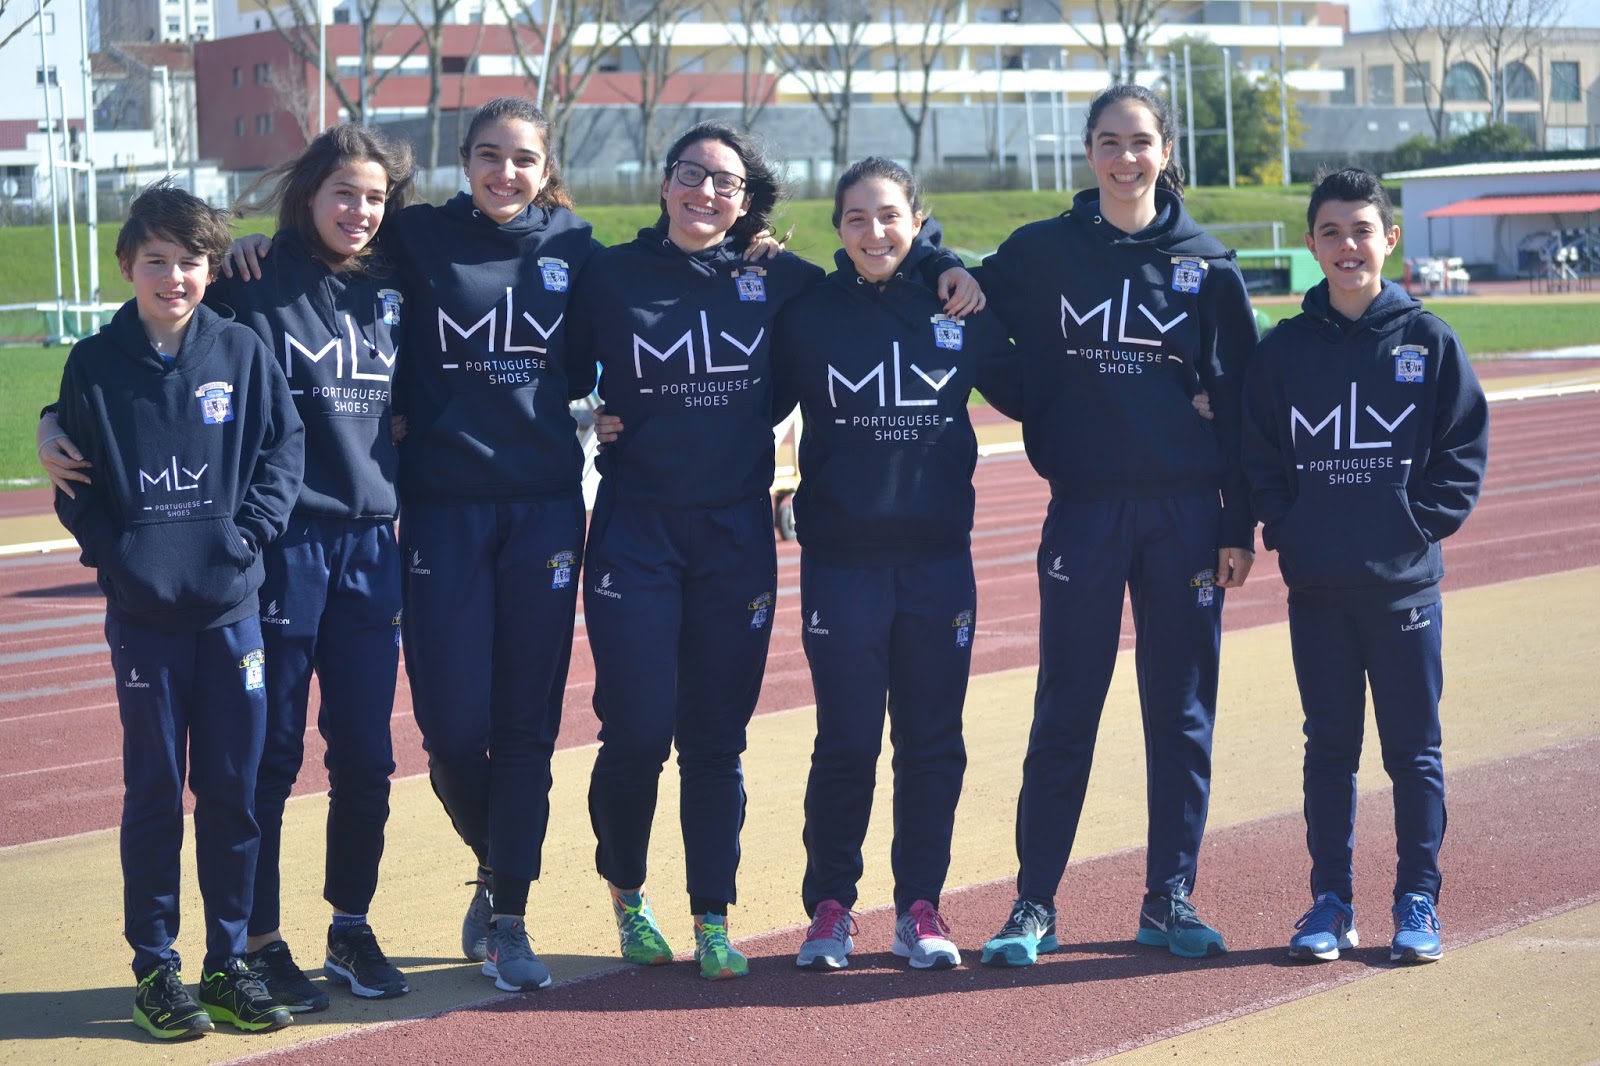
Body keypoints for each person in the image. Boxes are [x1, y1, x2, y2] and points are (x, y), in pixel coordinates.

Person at [570, 123, 982, 980]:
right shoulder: (608, 274)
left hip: (734, 535)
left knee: (716, 739)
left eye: (725, 183)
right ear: (666, 182)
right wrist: (590, 418)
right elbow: (556, 371)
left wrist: (942, 256)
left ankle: (712, 918)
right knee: (638, 733)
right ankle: (627, 891)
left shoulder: (780, 280)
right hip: (636, 530)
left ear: (746, 200)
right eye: (692, 174)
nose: (705, 192)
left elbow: (878, 255)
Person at [40, 125, 417, 1011]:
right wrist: (55, 426)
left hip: (367, 544)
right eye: (342, 192)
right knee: (260, 761)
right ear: (307, 194)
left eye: (374, 197)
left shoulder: (400, 279)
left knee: (366, 758)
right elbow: (135, 351)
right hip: (279, 556)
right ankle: (254, 942)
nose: (359, 210)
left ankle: (348, 928)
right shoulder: (253, 275)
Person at [975, 83, 1259, 966]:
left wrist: (1237, 524)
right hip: (1086, 510)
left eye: (1140, 141)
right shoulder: (1040, 252)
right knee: (1066, 707)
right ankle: (1034, 902)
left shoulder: (1209, 267)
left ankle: (1169, 897)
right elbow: (967, 306)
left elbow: (1242, 405)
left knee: (1180, 712)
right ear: (1088, 152)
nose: (1125, 157)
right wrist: (1041, 402)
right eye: (1108, 141)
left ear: (1166, 152)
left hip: (1186, 515)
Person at [48, 180, 303, 1039]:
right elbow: (74, 481)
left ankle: (227, 963)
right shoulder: (93, 365)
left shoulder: (242, 350)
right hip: (145, 620)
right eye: (156, 260)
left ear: (210, 268)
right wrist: (117, 557)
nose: (174, 277)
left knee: (232, 792)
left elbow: (283, 449)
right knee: (155, 793)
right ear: (127, 265)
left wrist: (249, 536)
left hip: (232, 611)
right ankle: (156, 967)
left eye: (190, 261)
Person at [771, 157, 1016, 971]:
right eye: (856, 218)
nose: (874, 233)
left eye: (889, 217)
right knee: (846, 743)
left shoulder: (960, 306)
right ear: (837, 228)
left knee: (932, 742)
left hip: (938, 563)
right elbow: (748, 401)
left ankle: (920, 907)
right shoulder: (809, 313)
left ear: (917, 219)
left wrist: (1186, 396)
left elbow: (1042, 389)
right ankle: (831, 908)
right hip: (842, 564)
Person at [1242, 167, 1488, 964]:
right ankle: (1331, 901)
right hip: (1318, 589)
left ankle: (1418, 900)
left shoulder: (1428, 341)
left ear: (1390, 239)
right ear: (1312, 244)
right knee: (1328, 751)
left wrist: (1413, 527)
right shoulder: (1283, 352)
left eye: (1361, 231)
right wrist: (1289, 528)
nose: (1347, 246)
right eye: (1331, 233)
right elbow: (1259, 454)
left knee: (1413, 753)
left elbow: (1462, 451)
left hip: (1403, 588)